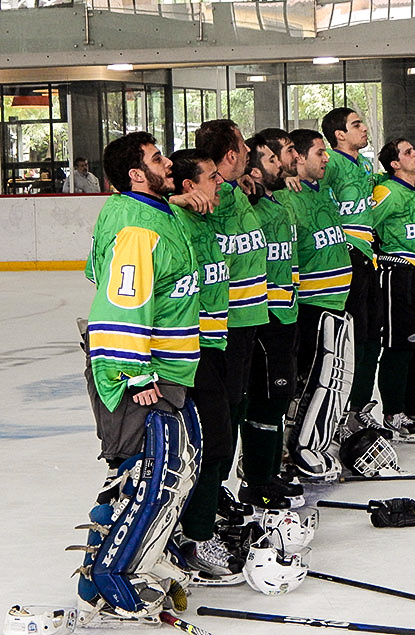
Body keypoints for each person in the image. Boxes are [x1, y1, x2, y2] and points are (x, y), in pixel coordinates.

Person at [74, 132, 204, 626]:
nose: (168, 163)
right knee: (144, 476)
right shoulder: (135, 228)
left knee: (169, 470)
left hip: (168, 369)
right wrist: (133, 374)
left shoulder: (149, 213)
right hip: (141, 374)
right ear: (135, 174)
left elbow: (101, 274)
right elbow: (119, 308)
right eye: (157, 158)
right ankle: (108, 579)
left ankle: (133, 562)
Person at [168, 148, 244, 582]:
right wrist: (171, 202)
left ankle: (202, 523)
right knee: (209, 444)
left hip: (215, 343)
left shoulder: (207, 215)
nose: (221, 183)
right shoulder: (173, 218)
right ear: (188, 186)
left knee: (218, 440)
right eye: (212, 177)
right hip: (187, 349)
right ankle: (195, 539)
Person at [193, 119, 274, 509]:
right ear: (230, 153)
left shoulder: (234, 190)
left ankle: (219, 489)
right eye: (243, 146)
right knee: (221, 416)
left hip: (249, 320)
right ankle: (209, 495)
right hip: (226, 325)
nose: (248, 152)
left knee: (236, 409)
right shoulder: (208, 199)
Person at [278, 128, 353, 477]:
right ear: (299, 158)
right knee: (310, 380)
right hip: (311, 304)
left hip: (336, 301)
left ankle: (315, 437)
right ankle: (296, 447)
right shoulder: (288, 196)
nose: (326, 158)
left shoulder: (321, 190)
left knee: (329, 378)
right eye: (319, 153)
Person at [242, 134, 305, 507]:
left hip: (287, 313)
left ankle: (269, 472)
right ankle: (257, 481)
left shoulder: (278, 202)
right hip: (266, 318)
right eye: (270, 160)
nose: (280, 164)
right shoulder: (250, 211)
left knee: (278, 401)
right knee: (265, 402)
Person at [320, 107, 387, 438]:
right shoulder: (332, 162)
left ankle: (360, 408)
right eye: (356, 124)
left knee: (372, 337)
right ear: (339, 135)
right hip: (347, 256)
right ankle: (342, 414)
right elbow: (310, 185)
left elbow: (372, 186)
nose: (364, 129)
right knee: (354, 339)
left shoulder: (363, 163)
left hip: (369, 256)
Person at [370, 138, 415, 441]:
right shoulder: (388, 191)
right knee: (401, 347)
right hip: (400, 275)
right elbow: (367, 222)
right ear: (395, 163)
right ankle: (394, 412)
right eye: (408, 152)